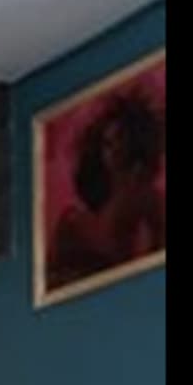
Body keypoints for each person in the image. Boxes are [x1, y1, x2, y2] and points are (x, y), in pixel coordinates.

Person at [45, 80, 164, 285]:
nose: (113, 150)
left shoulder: (143, 193)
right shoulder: (75, 221)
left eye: (121, 140)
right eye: (108, 143)